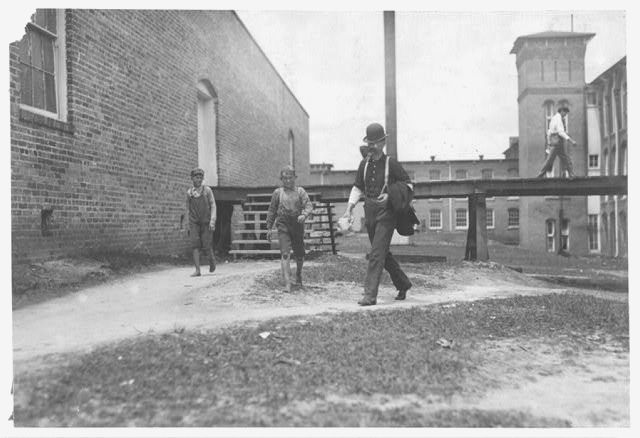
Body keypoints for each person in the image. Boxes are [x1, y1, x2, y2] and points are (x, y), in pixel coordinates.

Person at [342, 122, 413, 306]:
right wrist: (349, 208)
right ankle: (403, 283)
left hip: (387, 213)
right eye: (369, 143)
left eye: (374, 143)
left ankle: (369, 295)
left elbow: (409, 185)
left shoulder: (392, 163)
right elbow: (358, 187)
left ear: (382, 143)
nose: (371, 147)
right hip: (370, 212)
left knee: (375, 254)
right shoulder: (363, 164)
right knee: (381, 253)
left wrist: (390, 195)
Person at [266, 165, 313, 293]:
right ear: (281, 179)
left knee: (299, 254)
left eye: (290, 178)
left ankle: (298, 274)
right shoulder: (277, 193)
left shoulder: (300, 191)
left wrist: (304, 215)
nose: (287, 181)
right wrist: (269, 228)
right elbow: (272, 211)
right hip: (283, 225)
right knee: (285, 253)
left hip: (297, 225)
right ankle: (287, 283)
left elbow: (309, 205)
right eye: (285, 178)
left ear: (295, 178)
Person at [186, 168, 216, 277]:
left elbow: (213, 205)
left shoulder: (207, 190)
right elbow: (188, 209)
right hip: (194, 222)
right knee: (195, 245)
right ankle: (197, 270)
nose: (198, 180)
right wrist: (188, 224)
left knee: (206, 244)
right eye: (196, 177)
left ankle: (212, 261)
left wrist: (212, 220)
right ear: (192, 178)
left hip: (206, 222)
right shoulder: (189, 193)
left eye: (200, 178)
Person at [536, 105, 577, 178]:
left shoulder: (554, 118)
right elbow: (561, 132)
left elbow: (549, 131)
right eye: (565, 113)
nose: (565, 115)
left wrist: (549, 143)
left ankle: (571, 174)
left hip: (554, 140)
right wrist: (571, 140)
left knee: (562, 158)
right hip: (557, 140)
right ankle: (540, 175)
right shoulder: (558, 119)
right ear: (561, 111)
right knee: (556, 159)